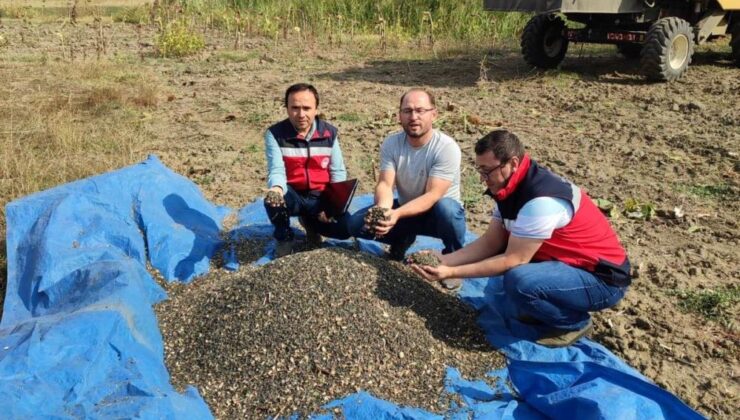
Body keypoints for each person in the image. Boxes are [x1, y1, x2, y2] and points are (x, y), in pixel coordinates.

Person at [411, 129, 631, 347]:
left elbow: (513, 260)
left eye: (488, 171)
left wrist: (451, 272)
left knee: (519, 282)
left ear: (513, 163)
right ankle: (545, 305)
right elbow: (491, 242)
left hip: (601, 280)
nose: (483, 179)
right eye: (480, 170)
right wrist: (444, 259)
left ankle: (574, 322)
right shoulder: (508, 187)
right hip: (564, 262)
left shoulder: (540, 201)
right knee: (500, 293)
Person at [351, 88, 466, 288]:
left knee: (448, 209)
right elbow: (386, 184)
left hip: (437, 216)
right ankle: (401, 241)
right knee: (355, 224)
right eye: (408, 111)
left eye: (420, 110)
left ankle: (453, 260)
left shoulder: (446, 147)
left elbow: (433, 195)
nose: (414, 117)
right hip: (406, 211)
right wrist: (385, 211)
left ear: (434, 114)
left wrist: (396, 215)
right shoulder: (392, 143)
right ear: (399, 115)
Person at [263, 83, 353, 257]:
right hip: (293, 193)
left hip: (320, 195)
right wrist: (277, 189)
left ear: (316, 109)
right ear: (287, 108)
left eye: (307, 108)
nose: (301, 114)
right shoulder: (275, 134)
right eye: (295, 108)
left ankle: (312, 224)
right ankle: (284, 237)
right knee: (273, 201)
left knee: (345, 228)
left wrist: (332, 205)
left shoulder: (329, 133)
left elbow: (338, 172)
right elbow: (277, 170)